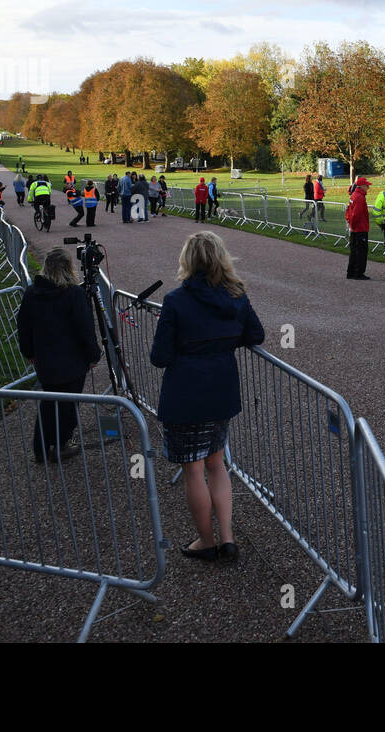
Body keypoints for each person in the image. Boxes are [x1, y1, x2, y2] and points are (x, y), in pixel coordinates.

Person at [150, 232, 265, 562]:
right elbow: (255, 334)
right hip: (221, 391)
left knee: (194, 470)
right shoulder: (236, 295)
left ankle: (206, 540)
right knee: (216, 464)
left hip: (186, 395)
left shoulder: (176, 300)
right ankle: (227, 539)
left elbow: (160, 356)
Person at [16, 248, 101, 464]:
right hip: (72, 360)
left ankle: (42, 447)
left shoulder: (32, 293)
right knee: (68, 405)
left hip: (46, 360)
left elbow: (23, 326)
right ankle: (61, 444)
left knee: (48, 402)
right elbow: (85, 328)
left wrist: (29, 351)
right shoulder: (73, 294)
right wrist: (93, 354)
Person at [345, 176, 372, 279]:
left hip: (355, 228)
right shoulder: (360, 197)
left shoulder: (354, 195)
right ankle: (358, 273)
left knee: (354, 251)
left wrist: (350, 223)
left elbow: (349, 211)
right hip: (360, 228)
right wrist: (352, 224)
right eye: (366, 186)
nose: (368, 188)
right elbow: (356, 214)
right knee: (361, 252)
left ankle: (351, 272)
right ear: (361, 186)